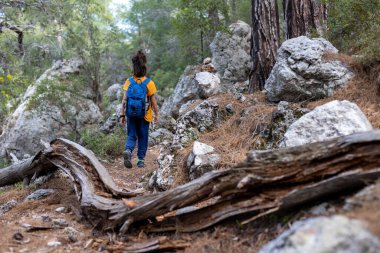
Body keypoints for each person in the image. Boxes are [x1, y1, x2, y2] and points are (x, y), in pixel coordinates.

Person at [120, 50, 159, 168]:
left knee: (131, 135)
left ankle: (128, 150)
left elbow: (124, 100)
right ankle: (141, 160)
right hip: (145, 115)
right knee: (143, 136)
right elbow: (153, 102)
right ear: (144, 66)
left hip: (131, 114)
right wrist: (156, 114)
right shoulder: (149, 83)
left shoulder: (129, 81)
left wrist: (122, 115)